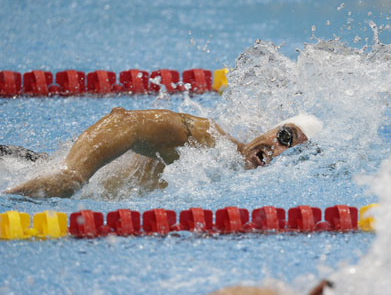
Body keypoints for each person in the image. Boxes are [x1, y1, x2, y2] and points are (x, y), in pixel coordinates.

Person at [3, 108, 322, 198]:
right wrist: (73, 175)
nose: (277, 150)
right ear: (271, 128)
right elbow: (125, 122)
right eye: (284, 136)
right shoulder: (210, 140)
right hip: (23, 171)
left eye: (291, 152)